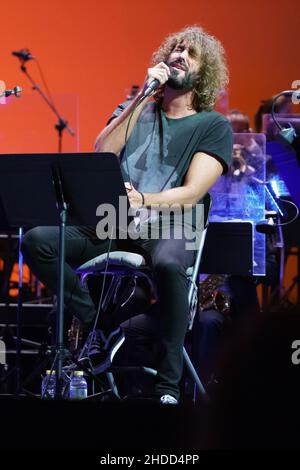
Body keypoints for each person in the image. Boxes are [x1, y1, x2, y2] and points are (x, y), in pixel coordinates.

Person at [21, 25, 232, 404]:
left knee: (169, 265)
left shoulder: (212, 125)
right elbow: (101, 151)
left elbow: (193, 192)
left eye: (191, 53)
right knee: (38, 240)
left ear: (205, 72)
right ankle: (98, 323)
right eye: (176, 49)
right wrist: (141, 97)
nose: (180, 55)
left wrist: (143, 199)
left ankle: (167, 386)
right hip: (114, 219)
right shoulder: (135, 109)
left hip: (172, 223)